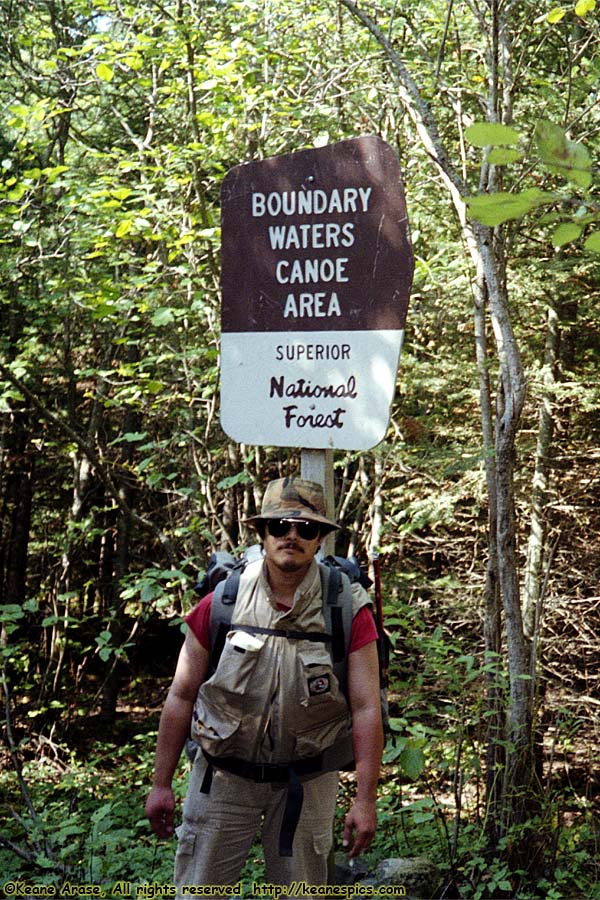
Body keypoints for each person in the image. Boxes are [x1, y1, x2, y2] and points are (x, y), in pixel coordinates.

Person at [145, 476, 384, 897]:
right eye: (280, 526)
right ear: (262, 533)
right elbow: (181, 694)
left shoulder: (346, 609)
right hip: (221, 778)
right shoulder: (223, 601)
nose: (291, 536)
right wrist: (161, 784)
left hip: (308, 781)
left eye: (306, 528)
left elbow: (366, 707)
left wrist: (365, 799)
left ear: (321, 539)